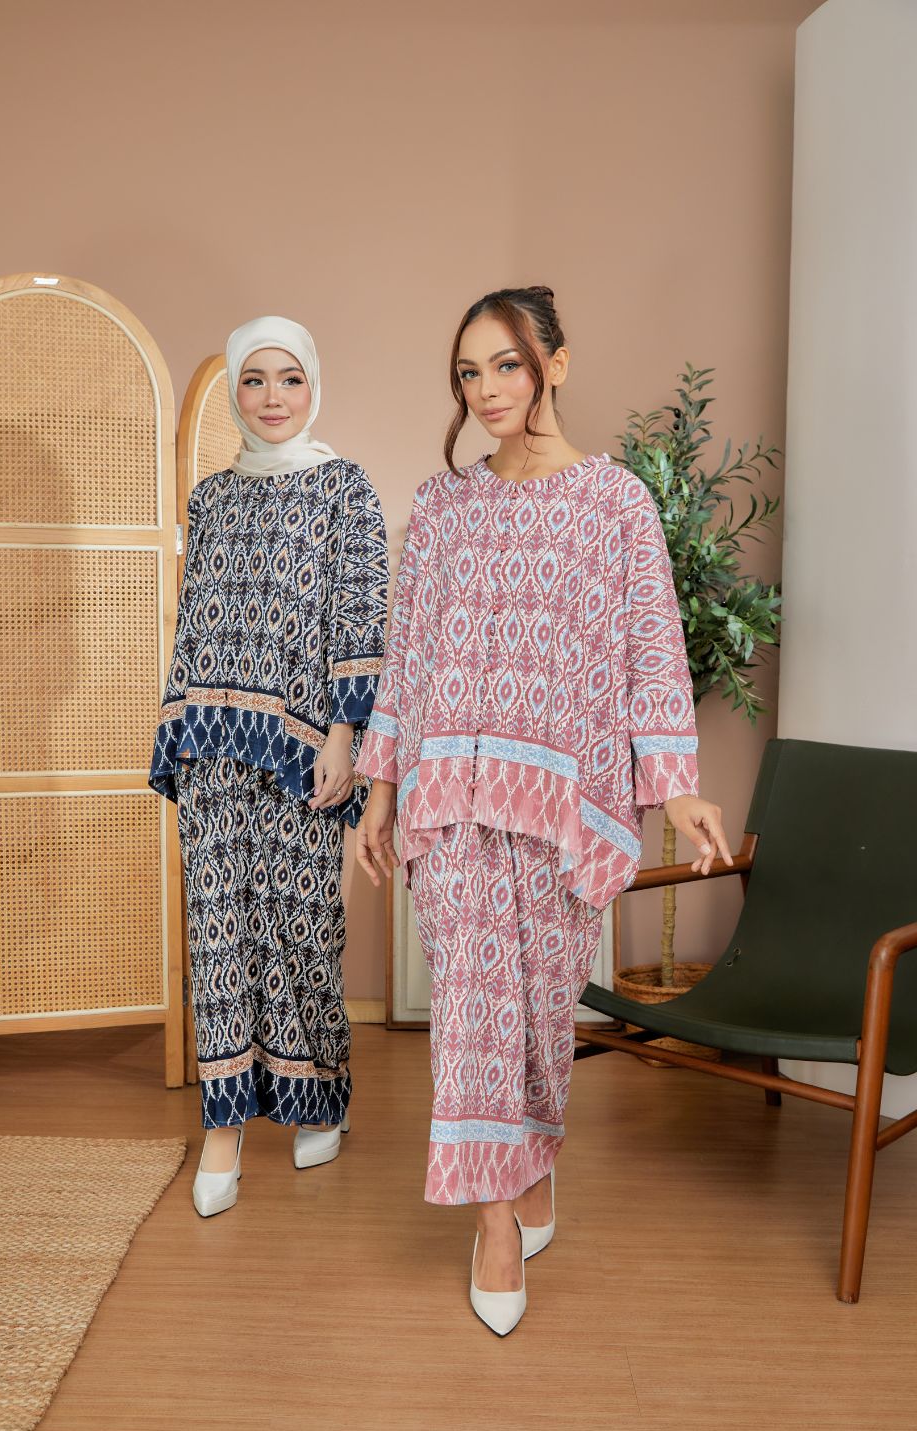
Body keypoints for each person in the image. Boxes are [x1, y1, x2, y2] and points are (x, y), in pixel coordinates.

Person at [354, 285, 730, 1334]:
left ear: (554, 365)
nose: (486, 390)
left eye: (506, 365)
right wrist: (381, 791)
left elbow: (653, 650)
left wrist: (677, 787)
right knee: (471, 1013)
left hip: (565, 802)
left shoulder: (615, 504)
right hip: (453, 796)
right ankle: (491, 1225)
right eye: (468, 373)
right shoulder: (441, 507)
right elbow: (407, 658)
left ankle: (532, 1160)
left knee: (540, 1020)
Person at [150, 316, 388, 1215]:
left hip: (301, 752)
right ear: (234, 393)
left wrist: (345, 736)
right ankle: (225, 1127)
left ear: (313, 385)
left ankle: (319, 1095)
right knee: (218, 933)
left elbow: (361, 615)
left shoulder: (344, 488)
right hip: (212, 740)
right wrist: (176, 730)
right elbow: (194, 623)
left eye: (289, 378)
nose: (272, 397)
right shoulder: (211, 497)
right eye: (254, 380)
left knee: (301, 929)